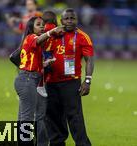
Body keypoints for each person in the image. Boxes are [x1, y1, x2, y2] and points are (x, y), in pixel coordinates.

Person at [45, 8, 94, 146]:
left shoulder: (83, 37)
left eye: (72, 18)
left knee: (75, 117)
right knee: (53, 117)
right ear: (61, 21)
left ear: (77, 20)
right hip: (51, 82)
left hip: (71, 83)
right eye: (66, 19)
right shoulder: (53, 35)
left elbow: (89, 59)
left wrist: (88, 80)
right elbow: (45, 53)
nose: (69, 21)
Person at [14, 16, 64, 146]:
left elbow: (32, 63)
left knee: (23, 117)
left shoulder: (32, 41)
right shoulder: (32, 37)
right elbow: (40, 39)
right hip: (27, 80)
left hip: (26, 79)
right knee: (27, 119)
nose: (42, 27)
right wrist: (50, 32)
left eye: (43, 25)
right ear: (31, 28)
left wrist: (44, 64)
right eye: (38, 24)